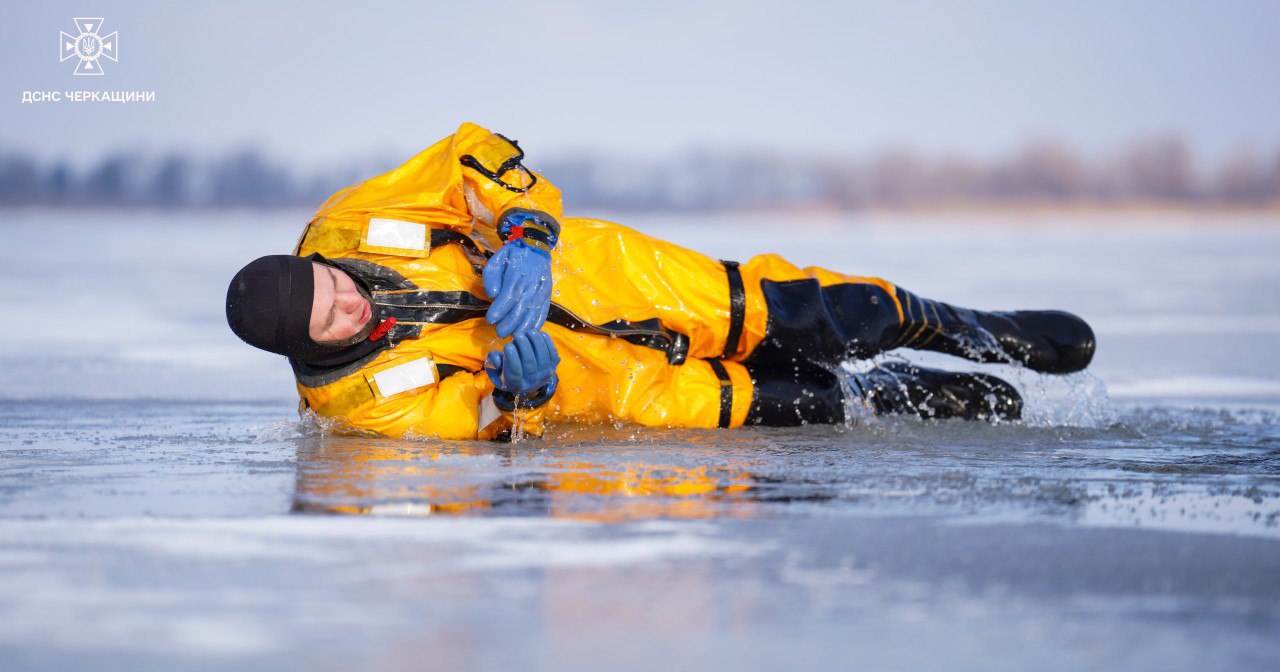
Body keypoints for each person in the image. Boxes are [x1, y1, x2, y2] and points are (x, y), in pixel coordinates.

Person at [226, 122, 1095, 441]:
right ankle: (922, 396)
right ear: (307, 348)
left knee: (828, 311)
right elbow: (463, 424)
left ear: (317, 259)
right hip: (630, 391)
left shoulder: (350, 223)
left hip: (613, 277)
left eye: (332, 285)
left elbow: (471, 153)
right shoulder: (356, 399)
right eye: (331, 320)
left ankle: (971, 327)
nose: (349, 303)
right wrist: (513, 396)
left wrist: (525, 231)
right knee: (815, 405)